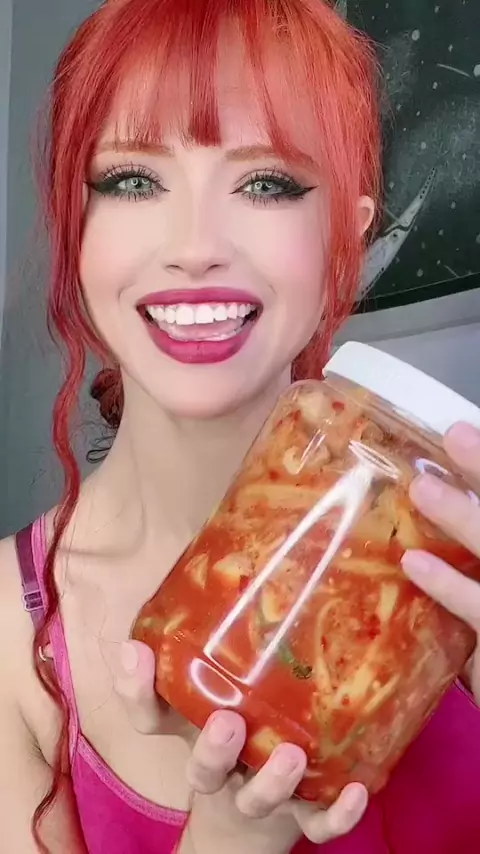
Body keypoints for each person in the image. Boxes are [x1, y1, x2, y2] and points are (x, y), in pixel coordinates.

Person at [1, 0, 480, 852]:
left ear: (347, 234)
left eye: (267, 184)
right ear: (78, 231)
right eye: (133, 180)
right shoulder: (10, 632)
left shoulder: (456, 550)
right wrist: (233, 829)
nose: (195, 246)